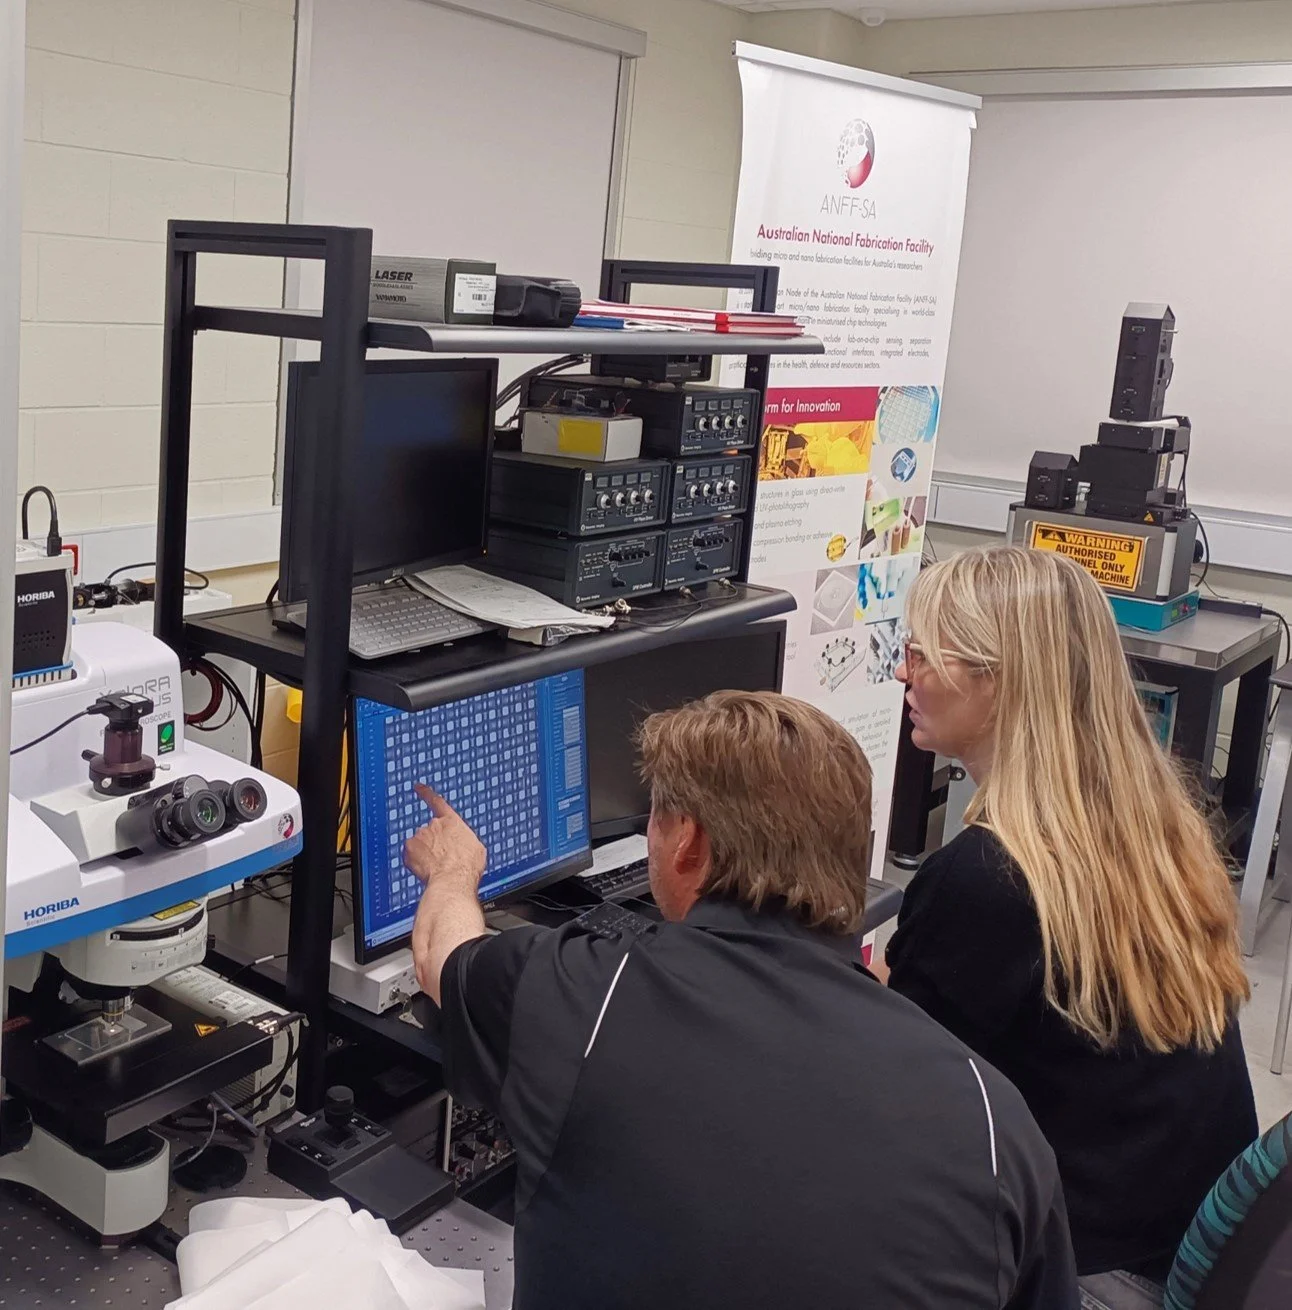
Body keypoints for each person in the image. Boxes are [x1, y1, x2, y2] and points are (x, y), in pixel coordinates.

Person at [405, 689, 1079, 1310]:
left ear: (688, 842)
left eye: (656, 820)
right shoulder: (996, 1120)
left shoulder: (589, 992)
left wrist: (454, 869)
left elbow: (442, 958)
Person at [885, 545, 1257, 1290]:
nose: (903, 673)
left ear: (997, 680)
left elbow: (896, 1098)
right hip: (1189, 1248)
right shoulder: (1155, 824)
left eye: (922, 655)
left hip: (1087, 1272)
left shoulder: (986, 877)